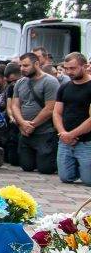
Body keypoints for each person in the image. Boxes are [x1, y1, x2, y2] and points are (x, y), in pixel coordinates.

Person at [9, 52, 59, 175]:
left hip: (44, 131)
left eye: (25, 66)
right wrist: (22, 123)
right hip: (25, 132)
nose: (22, 69)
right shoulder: (20, 82)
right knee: (26, 166)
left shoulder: (50, 82)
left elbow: (50, 108)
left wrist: (32, 125)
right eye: (20, 66)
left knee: (45, 169)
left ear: (36, 64)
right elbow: (15, 105)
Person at [53, 52, 91, 185]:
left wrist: (72, 134)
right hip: (65, 140)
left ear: (84, 66)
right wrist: (63, 133)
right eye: (66, 68)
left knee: (88, 180)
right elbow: (57, 113)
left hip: (87, 141)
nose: (69, 72)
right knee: (65, 177)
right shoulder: (64, 87)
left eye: (73, 68)